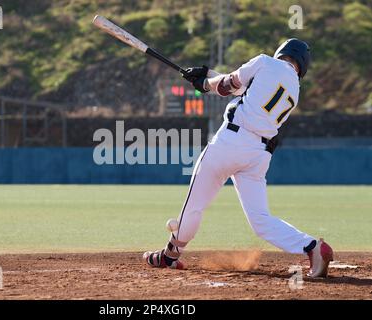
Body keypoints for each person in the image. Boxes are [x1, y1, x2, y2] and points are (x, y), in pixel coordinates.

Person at [143, 38, 333, 278]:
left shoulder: (265, 61)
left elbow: (225, 86)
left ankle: (170, 256)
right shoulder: (294, 88)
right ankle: (312, 246)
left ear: (281, 52)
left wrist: (205, 84)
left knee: (194, 205)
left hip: (230, 143)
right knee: (261, 220)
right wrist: (205, 76)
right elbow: (246, 87)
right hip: (258, 156)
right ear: (302, 65)